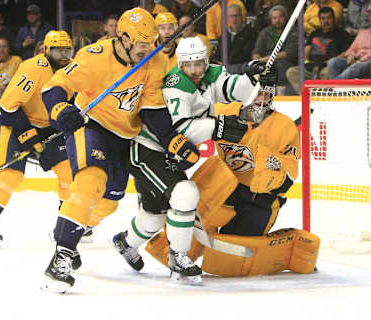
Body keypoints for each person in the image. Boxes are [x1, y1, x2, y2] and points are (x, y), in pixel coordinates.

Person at [40, 8, 201, 293]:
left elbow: (153, 110)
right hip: (91, 125)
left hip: (124, 138)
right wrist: (60, 108)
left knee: (108, 203)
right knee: (91, 182)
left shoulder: (154, 61)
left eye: (150, 42)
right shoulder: (94, 56)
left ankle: (67, 226)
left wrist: (172, 140)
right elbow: (56, 86)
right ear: (123, 38)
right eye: (140, 43)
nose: (146, 48)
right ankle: (61, 256)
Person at [112, 36, 270, 284]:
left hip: (168, 152)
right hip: (147, 150)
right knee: (185, 193)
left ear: (206, 61)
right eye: (189, 65)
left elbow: (228, 89)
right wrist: (218, 127)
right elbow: (182, 129)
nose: (195, 70)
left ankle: (126, 242)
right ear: (180, 64)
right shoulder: (175, 83)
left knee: (154, 216)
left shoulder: (211, 74)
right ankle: (178, 256)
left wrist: (250, 78)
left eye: (200, 63)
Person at [145, 66, 318, 278]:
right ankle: (178, 247)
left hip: (259, 197)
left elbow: (289, 177)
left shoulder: (285, 127)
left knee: (230, 264)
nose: (262, 101)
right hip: (224, 185)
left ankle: (284, 250)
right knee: (203, 192)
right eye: (257, 93)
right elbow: (186, 122)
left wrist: (271, 166)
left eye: (267, 94)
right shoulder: (224, 112)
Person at [0, 31, 74, 248]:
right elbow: (8, 107)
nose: (63, 55)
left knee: (68, 174)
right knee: (11, 177)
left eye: (67, 50)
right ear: (46, 50)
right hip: (17, 122)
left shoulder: (74, 69)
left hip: (49, 126)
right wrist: (28, 135)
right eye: (58, 50)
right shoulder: (33, 68)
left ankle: (67, 225)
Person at [286, 7, 351, 92]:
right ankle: (307, 97)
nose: (326, 21)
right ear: (319, 20)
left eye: (329, 18)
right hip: (312, 66)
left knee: (326, 73)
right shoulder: (314, 33)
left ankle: (321, 99)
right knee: (291, 72)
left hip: (328, 66)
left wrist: (326, 63)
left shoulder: (343, 34)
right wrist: (306, 62)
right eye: (323, 18)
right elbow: (306, 50)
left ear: (334, 19)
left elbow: (344, 53)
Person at [327, 1, 371, 79]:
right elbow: (352, 48)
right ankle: (338, 87)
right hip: (359, 61)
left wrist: (360, 58)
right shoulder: (363, 32)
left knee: (356, 67)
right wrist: (351, 55)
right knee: (333, 62)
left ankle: (334, 87)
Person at [252, 5, 298, 95]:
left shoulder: (293, 31)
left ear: (285, 18)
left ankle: (281, 93)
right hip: (267, 61)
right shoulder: (265, 32)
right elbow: (256, 51)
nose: (277, 20)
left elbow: (288, 53)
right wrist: (257, 60)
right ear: (271, 20)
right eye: (274, 18)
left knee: (280, 65)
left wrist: (264, 60)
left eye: (280, 17)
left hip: (287, 62)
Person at [213, 4, 258, 74]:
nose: (234, 19)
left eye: (236, 15)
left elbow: (245, 55)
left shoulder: (251, 33)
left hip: (243, 70)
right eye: (231, 16)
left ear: (242, 16)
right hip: (225, 70)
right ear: (227, 18)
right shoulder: (224, 35)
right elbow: (218, 57)